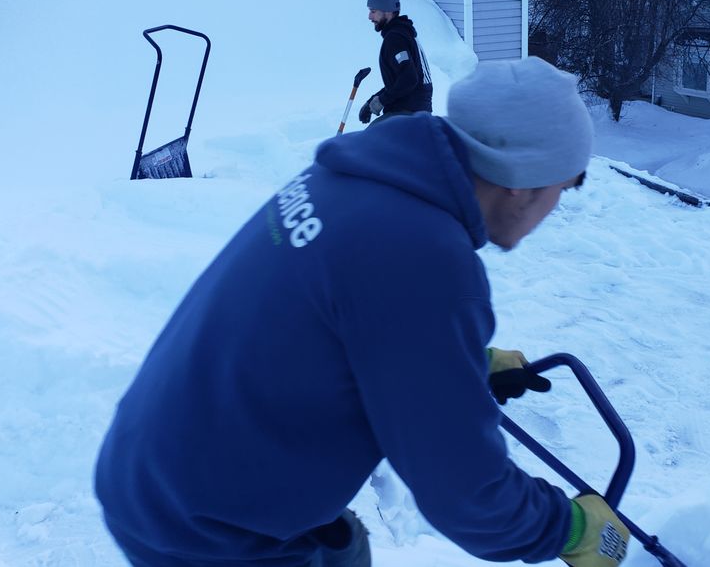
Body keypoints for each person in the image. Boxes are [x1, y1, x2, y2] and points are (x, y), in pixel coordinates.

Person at [94, 56, 630, 567]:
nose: (558, 204)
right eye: (567, 185)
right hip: (208, 531)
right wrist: (571, 530)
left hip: (160, 463)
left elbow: (342, 316)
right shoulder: (423, 254)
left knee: (344, 549)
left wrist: (463, 363)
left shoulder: (358, 180)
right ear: (523, 181)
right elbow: (465, 493)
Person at [358, 0, 432, 125]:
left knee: (370, 141)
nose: (369, 16)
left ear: (388, 11)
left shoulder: (396, 39)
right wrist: (372, 102)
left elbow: (409, 79)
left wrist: (380, 101)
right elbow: (399, 82)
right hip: (416, 110)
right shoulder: (403, 33)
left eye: (373, 11)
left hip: (411, 113)